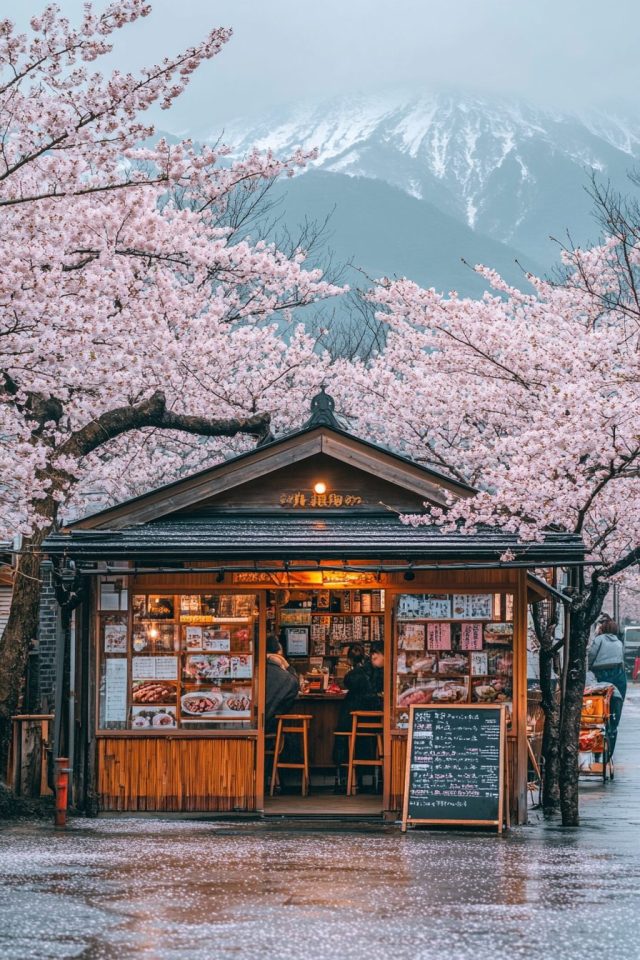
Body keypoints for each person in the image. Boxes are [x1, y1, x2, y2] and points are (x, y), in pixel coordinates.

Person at [333, 644, 378, 772]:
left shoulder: (350, 677)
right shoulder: (374, 673)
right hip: (371, 724)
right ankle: (372, 773)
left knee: (343, 732)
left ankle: (344, 769)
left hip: (351, 723)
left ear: (349, 660)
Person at [588, 616, 626, 755]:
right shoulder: (619, 642)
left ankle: (597, 741)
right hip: (618, 676)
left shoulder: (599, 640)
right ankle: (612, 732)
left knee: (598, 707)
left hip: (601, 675)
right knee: (617, 702)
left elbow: (591, 656)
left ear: (603, 628)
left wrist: (588, 668)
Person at [265, 634, 299, 734]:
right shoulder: (287, 678)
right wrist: (288, 666)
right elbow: (295, 689)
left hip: (252, 725)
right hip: (272, 726)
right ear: (279, 652)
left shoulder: (256, 670)